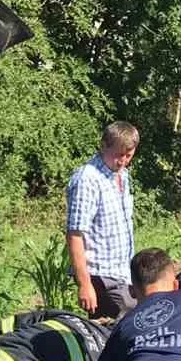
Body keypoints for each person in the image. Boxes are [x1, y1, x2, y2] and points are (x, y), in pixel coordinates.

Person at [66, 122, 140, 318]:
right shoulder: (87, 179)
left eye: (128, 155)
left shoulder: (121, 175)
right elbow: (75, 235)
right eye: (118, 154)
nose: (123, 161)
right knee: (120, 329)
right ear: (103, 146)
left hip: (122, 272)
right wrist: (84, 284)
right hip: (100, 274)